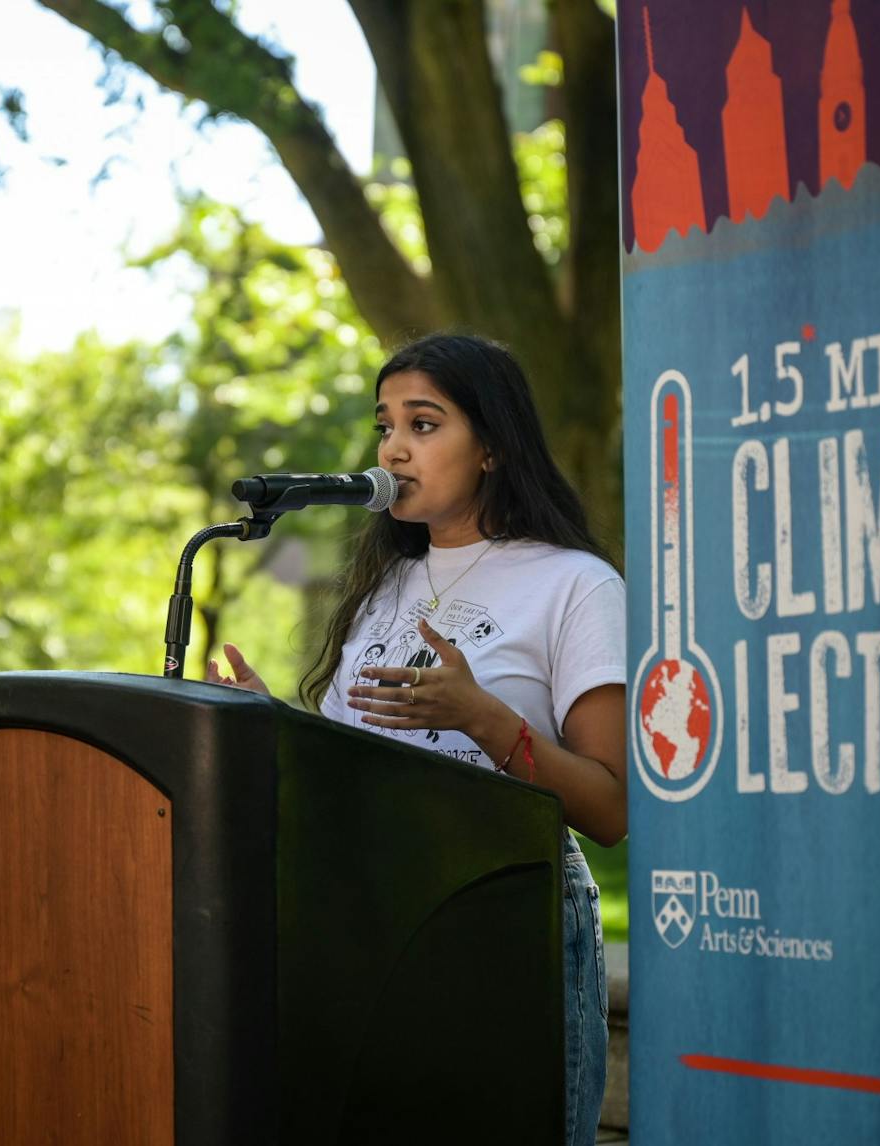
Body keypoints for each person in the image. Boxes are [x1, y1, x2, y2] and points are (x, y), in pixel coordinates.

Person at [206, 332, 626, 1145]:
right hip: (374, 916)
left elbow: (611, 810)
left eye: (424, 424)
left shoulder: (576, 586)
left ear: (494, 447)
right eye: (384, 425)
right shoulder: (383, 584)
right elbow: (348, 770)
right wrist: (274, 728)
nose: (394, 447)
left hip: (507, 914)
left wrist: (484, 717)